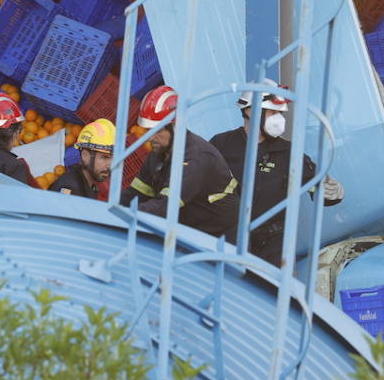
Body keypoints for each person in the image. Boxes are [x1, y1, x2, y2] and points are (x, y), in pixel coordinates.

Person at [209, 81, 344, 266]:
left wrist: (331, 191)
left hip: (273, 244)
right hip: (231, 238)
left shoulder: (289, 153)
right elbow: (201, 183)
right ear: (250, 111)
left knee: (268, 291)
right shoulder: (222, 144)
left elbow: (317, 188)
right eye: (273, 112)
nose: (279, 119)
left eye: (280, 113)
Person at [124, 85, 241, 240]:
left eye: (158, 130)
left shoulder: (196, 158)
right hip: (192, 234)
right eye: (148, 131)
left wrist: (126, 214)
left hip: (220, 242)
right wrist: (111, 210)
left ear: (175, 126)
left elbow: (165, 206)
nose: (151, 138)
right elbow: (136, 193)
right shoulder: (158, 153)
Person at [48, 118, 115, 200]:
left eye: (113, 158)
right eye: (104, 157)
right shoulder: (71, 190)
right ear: (85, 155)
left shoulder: (88, 183)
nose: (110, 165)